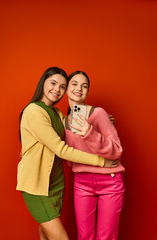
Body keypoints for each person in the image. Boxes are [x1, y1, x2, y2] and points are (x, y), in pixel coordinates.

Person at [16, 67, 118, 240]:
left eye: (62, 87)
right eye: (53, 83)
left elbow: (76, 124)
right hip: (37, 186)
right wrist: (102, 161)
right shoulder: (34, 111)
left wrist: (103, 119)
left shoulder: (56, 113)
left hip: (54, 183)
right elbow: (61, 149)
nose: (57, 89)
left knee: (45, 234)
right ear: (43, 83)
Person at [64, 71, 125, 240]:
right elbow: (66, 155)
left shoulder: (99, 114)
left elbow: (117, 150)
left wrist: (90, 132)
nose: (79, 88)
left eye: (84, 86)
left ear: (88, 92)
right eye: (74, 84)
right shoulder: (63, 122)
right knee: (85, 237)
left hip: (110, 181)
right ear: (66, 89)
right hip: (82, 182)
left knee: (106, 237)